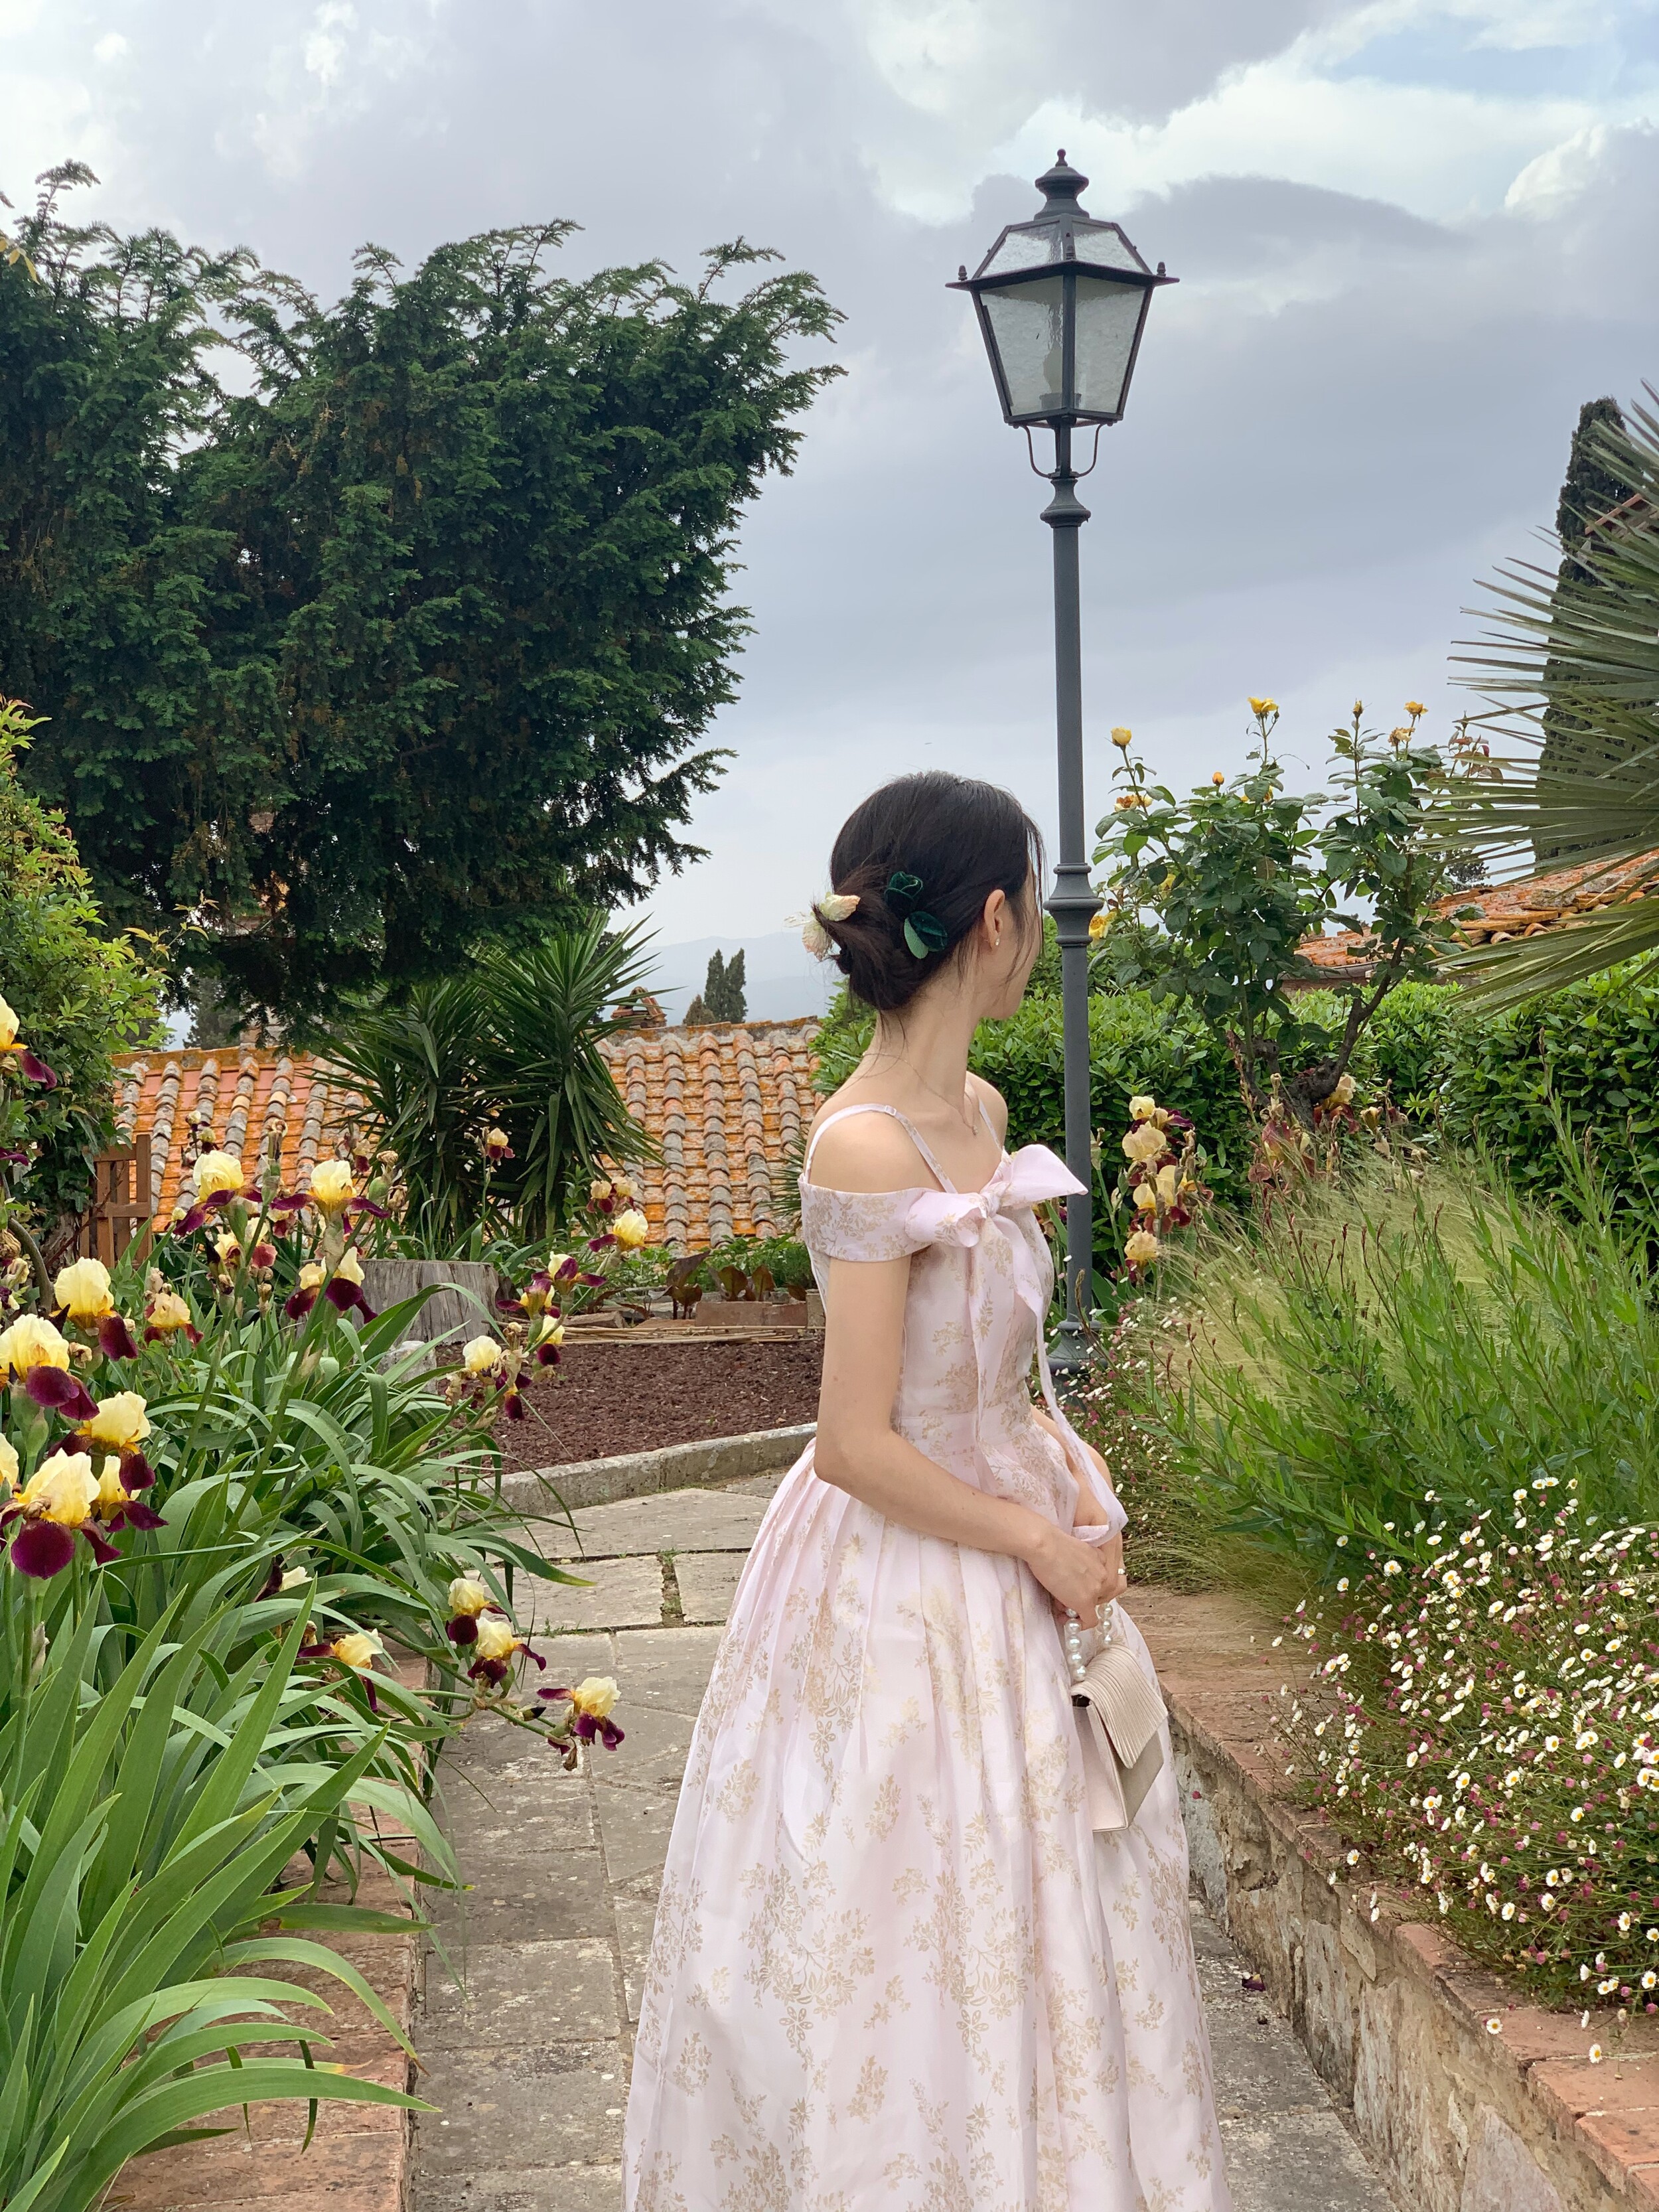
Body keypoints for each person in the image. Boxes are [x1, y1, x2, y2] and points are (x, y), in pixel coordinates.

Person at [624, 771, 1232, 2210]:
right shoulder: (862, 1143)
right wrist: (1033, 1537)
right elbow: (854, 1439)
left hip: (1014, 1553)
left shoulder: (982, 1107)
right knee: (905, 1920)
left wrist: (1064, 1466)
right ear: (1000, 920)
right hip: (900, 1576)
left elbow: (990, 1371)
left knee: (1046, 1907)